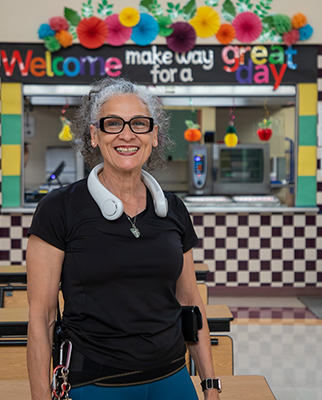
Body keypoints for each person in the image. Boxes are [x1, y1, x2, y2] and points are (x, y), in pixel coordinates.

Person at [26, 77, 220, 400]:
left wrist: (210, 385)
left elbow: (190, 303)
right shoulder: (58, 209)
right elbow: (42, 318)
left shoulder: (172, 209)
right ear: (94, 135)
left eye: (139, 124)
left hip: (172, 378)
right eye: (113, 123)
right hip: (95, 384)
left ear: (154, 135)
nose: (127, 134)